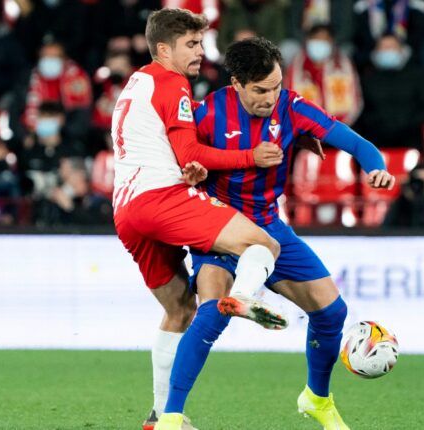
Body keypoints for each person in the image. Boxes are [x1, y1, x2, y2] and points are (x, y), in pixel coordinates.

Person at [156, 37, 395, 430]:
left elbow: (350, 139)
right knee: (212, 313)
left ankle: (317, 399)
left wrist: (375, 166)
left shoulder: (292, 107)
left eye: (277, 86)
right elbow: (183, 158)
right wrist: (193, 172)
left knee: (332, 312)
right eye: (261, 90)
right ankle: (171, 416)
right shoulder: (208, 112)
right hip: (218, 226)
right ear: (237, 85)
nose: (271, 97)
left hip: (267, 226)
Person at [111, 9, 290, 430]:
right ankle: (245, 295)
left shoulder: (137, 82)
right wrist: (250, 156)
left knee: (179, 309)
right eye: (190, 44)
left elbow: (171, 152)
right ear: (163, 49)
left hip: (126, 210)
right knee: (263, 244)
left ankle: (161, 416)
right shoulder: (172, 82)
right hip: (161, 199)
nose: (199, 51)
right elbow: (190, 153)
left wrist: (189, 169)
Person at [357, 33, 424, 152]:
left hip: (410, 137)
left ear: (401, 50)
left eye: (392, 47)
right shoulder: (366, 78)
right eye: (383, 47)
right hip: (375, 138)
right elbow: (360, 111)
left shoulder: (417, 75)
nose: (387, 51)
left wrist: (406, 123)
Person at [284, 24, 363, 125]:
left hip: (340, 129)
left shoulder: (343, 65)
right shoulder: (297, 66)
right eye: (316, 39)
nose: (320, 43)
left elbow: (355, 101)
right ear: (307, 41)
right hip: (304, 130)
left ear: (332, 43)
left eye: (325, 40)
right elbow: (289, 101)